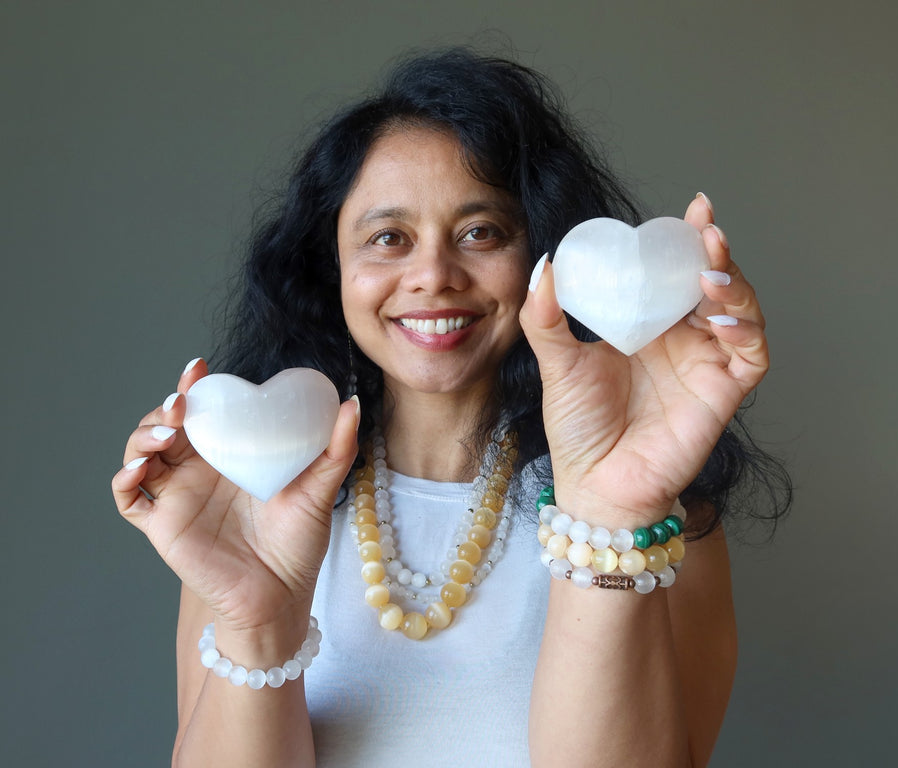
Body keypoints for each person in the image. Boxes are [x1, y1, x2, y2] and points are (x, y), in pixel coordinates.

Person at [112, 48, 788, 767]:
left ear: (543, 254)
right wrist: (257, 619)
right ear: (330, 268)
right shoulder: (251, 507)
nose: (432, 275)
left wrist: (613, 516)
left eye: (480, 232)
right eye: (387, 238)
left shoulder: (659, 514)